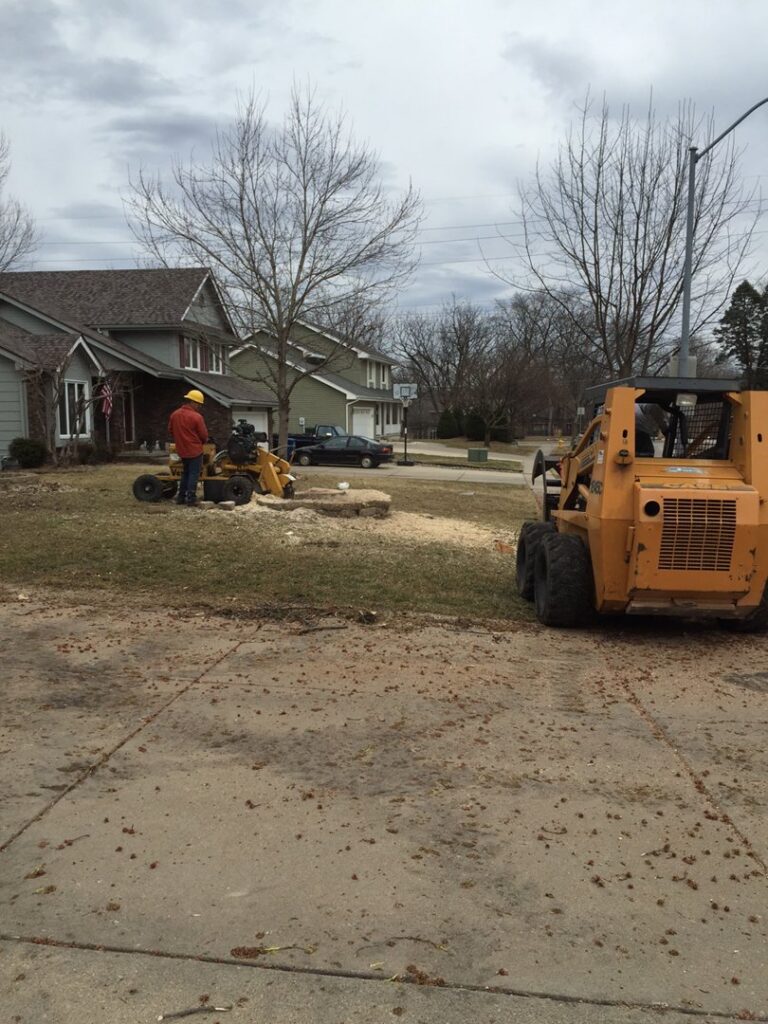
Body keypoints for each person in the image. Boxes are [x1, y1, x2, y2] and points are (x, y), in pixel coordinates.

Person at [168, 389, 208, 506]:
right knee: (193, 474)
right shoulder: (197, 417)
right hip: (195, 450)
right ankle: (191, 499)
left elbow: (170, 430)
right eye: (199, 404)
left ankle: (181, 498)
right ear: (193, 402)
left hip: (182, 450)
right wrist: (201, 441)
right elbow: (204, 435)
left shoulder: (175, 414)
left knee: (185, 473)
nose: (199, 407)